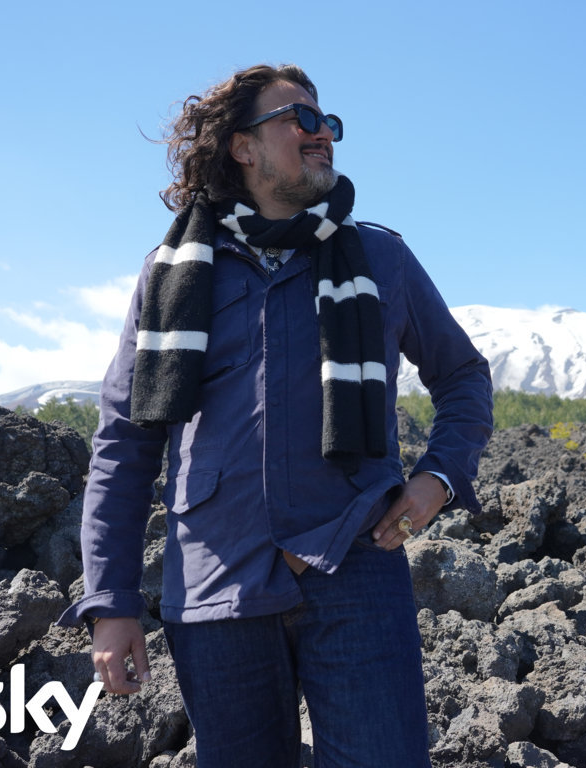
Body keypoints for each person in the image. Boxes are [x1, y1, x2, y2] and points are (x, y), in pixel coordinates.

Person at [57, 63, 493, 768]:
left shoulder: (380, 257)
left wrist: (438, 477)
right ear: (243, 146)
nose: (324, 135)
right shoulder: (171, 274)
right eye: (302, 120)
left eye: (329, 123)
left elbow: (463, 375)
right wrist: (111, 602)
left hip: (355, 567)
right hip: (216, 585)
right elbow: (123, 443)